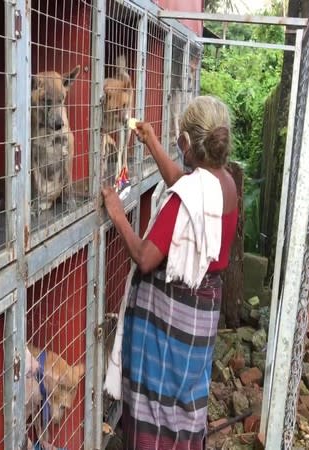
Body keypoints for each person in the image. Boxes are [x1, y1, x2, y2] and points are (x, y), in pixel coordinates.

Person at [102, 95, 239, 450]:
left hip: (171, 319)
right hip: (201, 313)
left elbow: (146, 258)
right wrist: (151, 142)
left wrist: (117, 213)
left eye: (178, 138)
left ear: (188, 144)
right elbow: (184, 182)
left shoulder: (185, 199)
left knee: (157, 402)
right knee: (186, 398)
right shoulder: (224, 184)